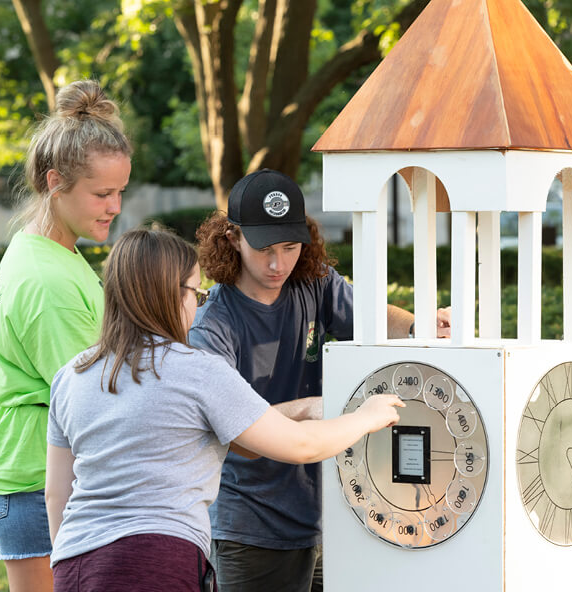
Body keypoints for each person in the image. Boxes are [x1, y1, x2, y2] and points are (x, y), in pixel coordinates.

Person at [44, 226, 403, 592]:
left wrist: (67, 558)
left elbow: (57, 493)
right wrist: (366, 417)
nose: (199, 306)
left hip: (75, 559)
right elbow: (301, 446)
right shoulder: (197, 370)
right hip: (159, 557)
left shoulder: (72, 375)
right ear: (172, 294)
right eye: (196, 294)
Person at [189, 168, 451, 592]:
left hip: (332, 516)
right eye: (265, 249)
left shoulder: (314, 283)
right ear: (232, 238)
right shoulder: (211, 327)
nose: (278, 264)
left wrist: (424, 325)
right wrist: (308, 410)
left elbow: (370, 318)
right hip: (251, 529)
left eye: (291, 247)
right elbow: (235, 437)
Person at [0, 79, 132, 591]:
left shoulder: (46, 248)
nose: (115, 207)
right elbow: (92, 400)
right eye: (102, 194)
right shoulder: (47, 281)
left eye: (120, 192)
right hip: (35, 482)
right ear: (55, 181)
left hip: (37, 473)